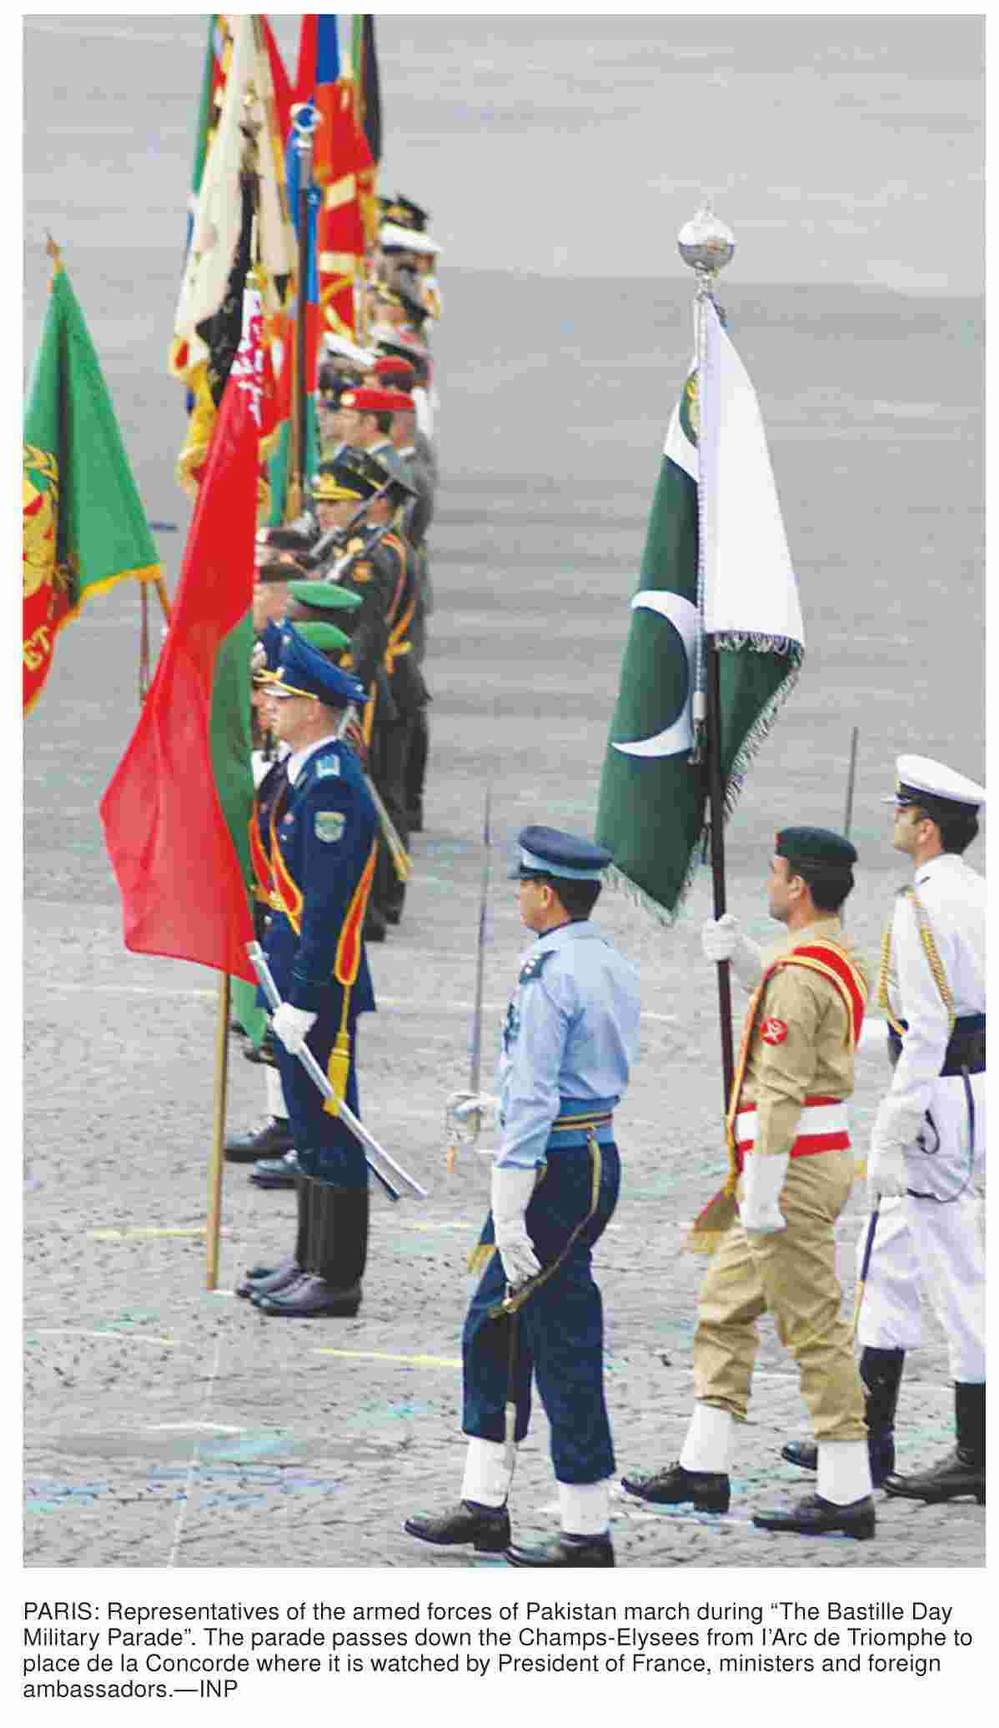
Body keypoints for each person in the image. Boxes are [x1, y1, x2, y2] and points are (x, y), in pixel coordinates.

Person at [622, 828, 877, 1539]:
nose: (766, 884)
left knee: (812, 1327)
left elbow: (783, 1088)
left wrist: (760, 1193)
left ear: (796, 886)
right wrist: (745, 963)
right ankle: (703, 1465)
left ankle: (844, 1488)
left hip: (786, 1172)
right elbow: (802, 1008)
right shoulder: (827, 952)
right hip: (791, 1165)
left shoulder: (798, 974)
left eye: (773, 873)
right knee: (725, 1309)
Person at [404, 827, 640, 1567]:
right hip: (585, 1151)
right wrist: (499, 1104)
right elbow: (574, 1075)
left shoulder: (547, 973)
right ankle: (484, 1504)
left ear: (544, 892)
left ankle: (586, 1526)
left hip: (554, 1172)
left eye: (522, 885)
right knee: (492, 1328)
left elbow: (540, 1090)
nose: (517, 895)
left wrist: (507, 1205)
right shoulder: (603, 958)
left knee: (561, 1339)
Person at [235, 626, 378, 1319]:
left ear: (314, 708)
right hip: (290, 968)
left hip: (322, 981)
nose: (265, 701)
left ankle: (336, 1277)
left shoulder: (332, 787)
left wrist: (306, 995)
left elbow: (325, 904)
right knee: (306, 1121)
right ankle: (307, 1258)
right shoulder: (297, 770)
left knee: (329, 1125)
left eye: (278, 694)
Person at [862, 755, 986, 1505]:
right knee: (893, 1264)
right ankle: (860, 1434)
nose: (894, 819)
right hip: (970, 1091)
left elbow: (926, 1029)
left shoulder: (921, 905)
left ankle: (977, 1448)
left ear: (925, 826)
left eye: (902, 811)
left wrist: (891, 1128)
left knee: (957, 1275)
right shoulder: (974, 892)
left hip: (936, 1101)